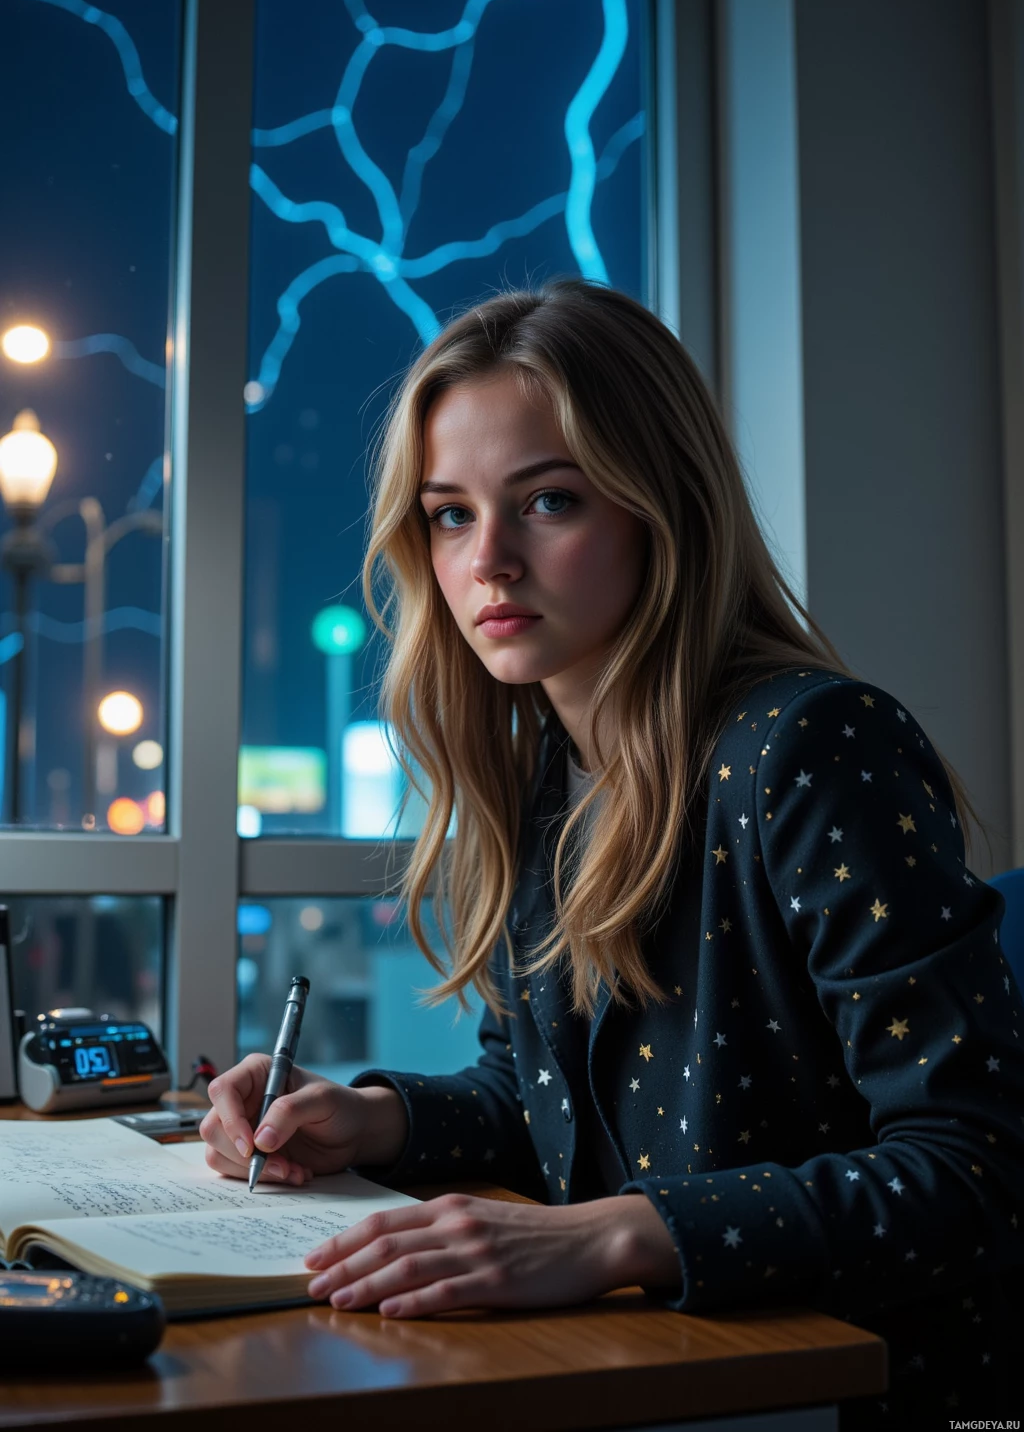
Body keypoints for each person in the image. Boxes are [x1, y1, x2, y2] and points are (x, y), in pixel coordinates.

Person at [202, 280, 1024, 1427]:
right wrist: (371, 1116)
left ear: (660, 507)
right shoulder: (544, 766)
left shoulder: (811, 746)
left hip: (849, 1388)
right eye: (449, 513)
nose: (486, 561)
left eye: (546, 502)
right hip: (645, 1368)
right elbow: (543, 1093)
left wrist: (609, 1234)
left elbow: (977, 1170)